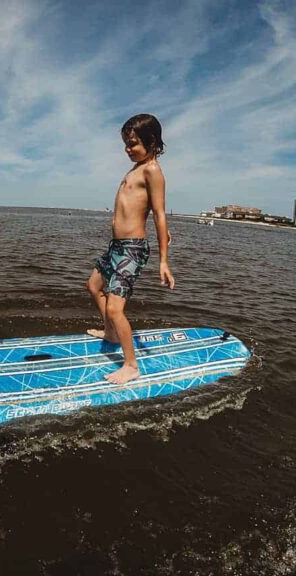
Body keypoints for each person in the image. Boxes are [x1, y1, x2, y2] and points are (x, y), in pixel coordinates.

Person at [86, 113, 175, 384]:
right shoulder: (136, 168)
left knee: (116, 308)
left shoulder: (152, 170)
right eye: (126, 144)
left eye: (133, 144)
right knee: (93, 286)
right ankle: (112, 333)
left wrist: (163, 261)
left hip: (132, 249)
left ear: (152, 141)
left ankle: (131, 365)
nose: (127, 149)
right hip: (116, 246)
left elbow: (159, 213)